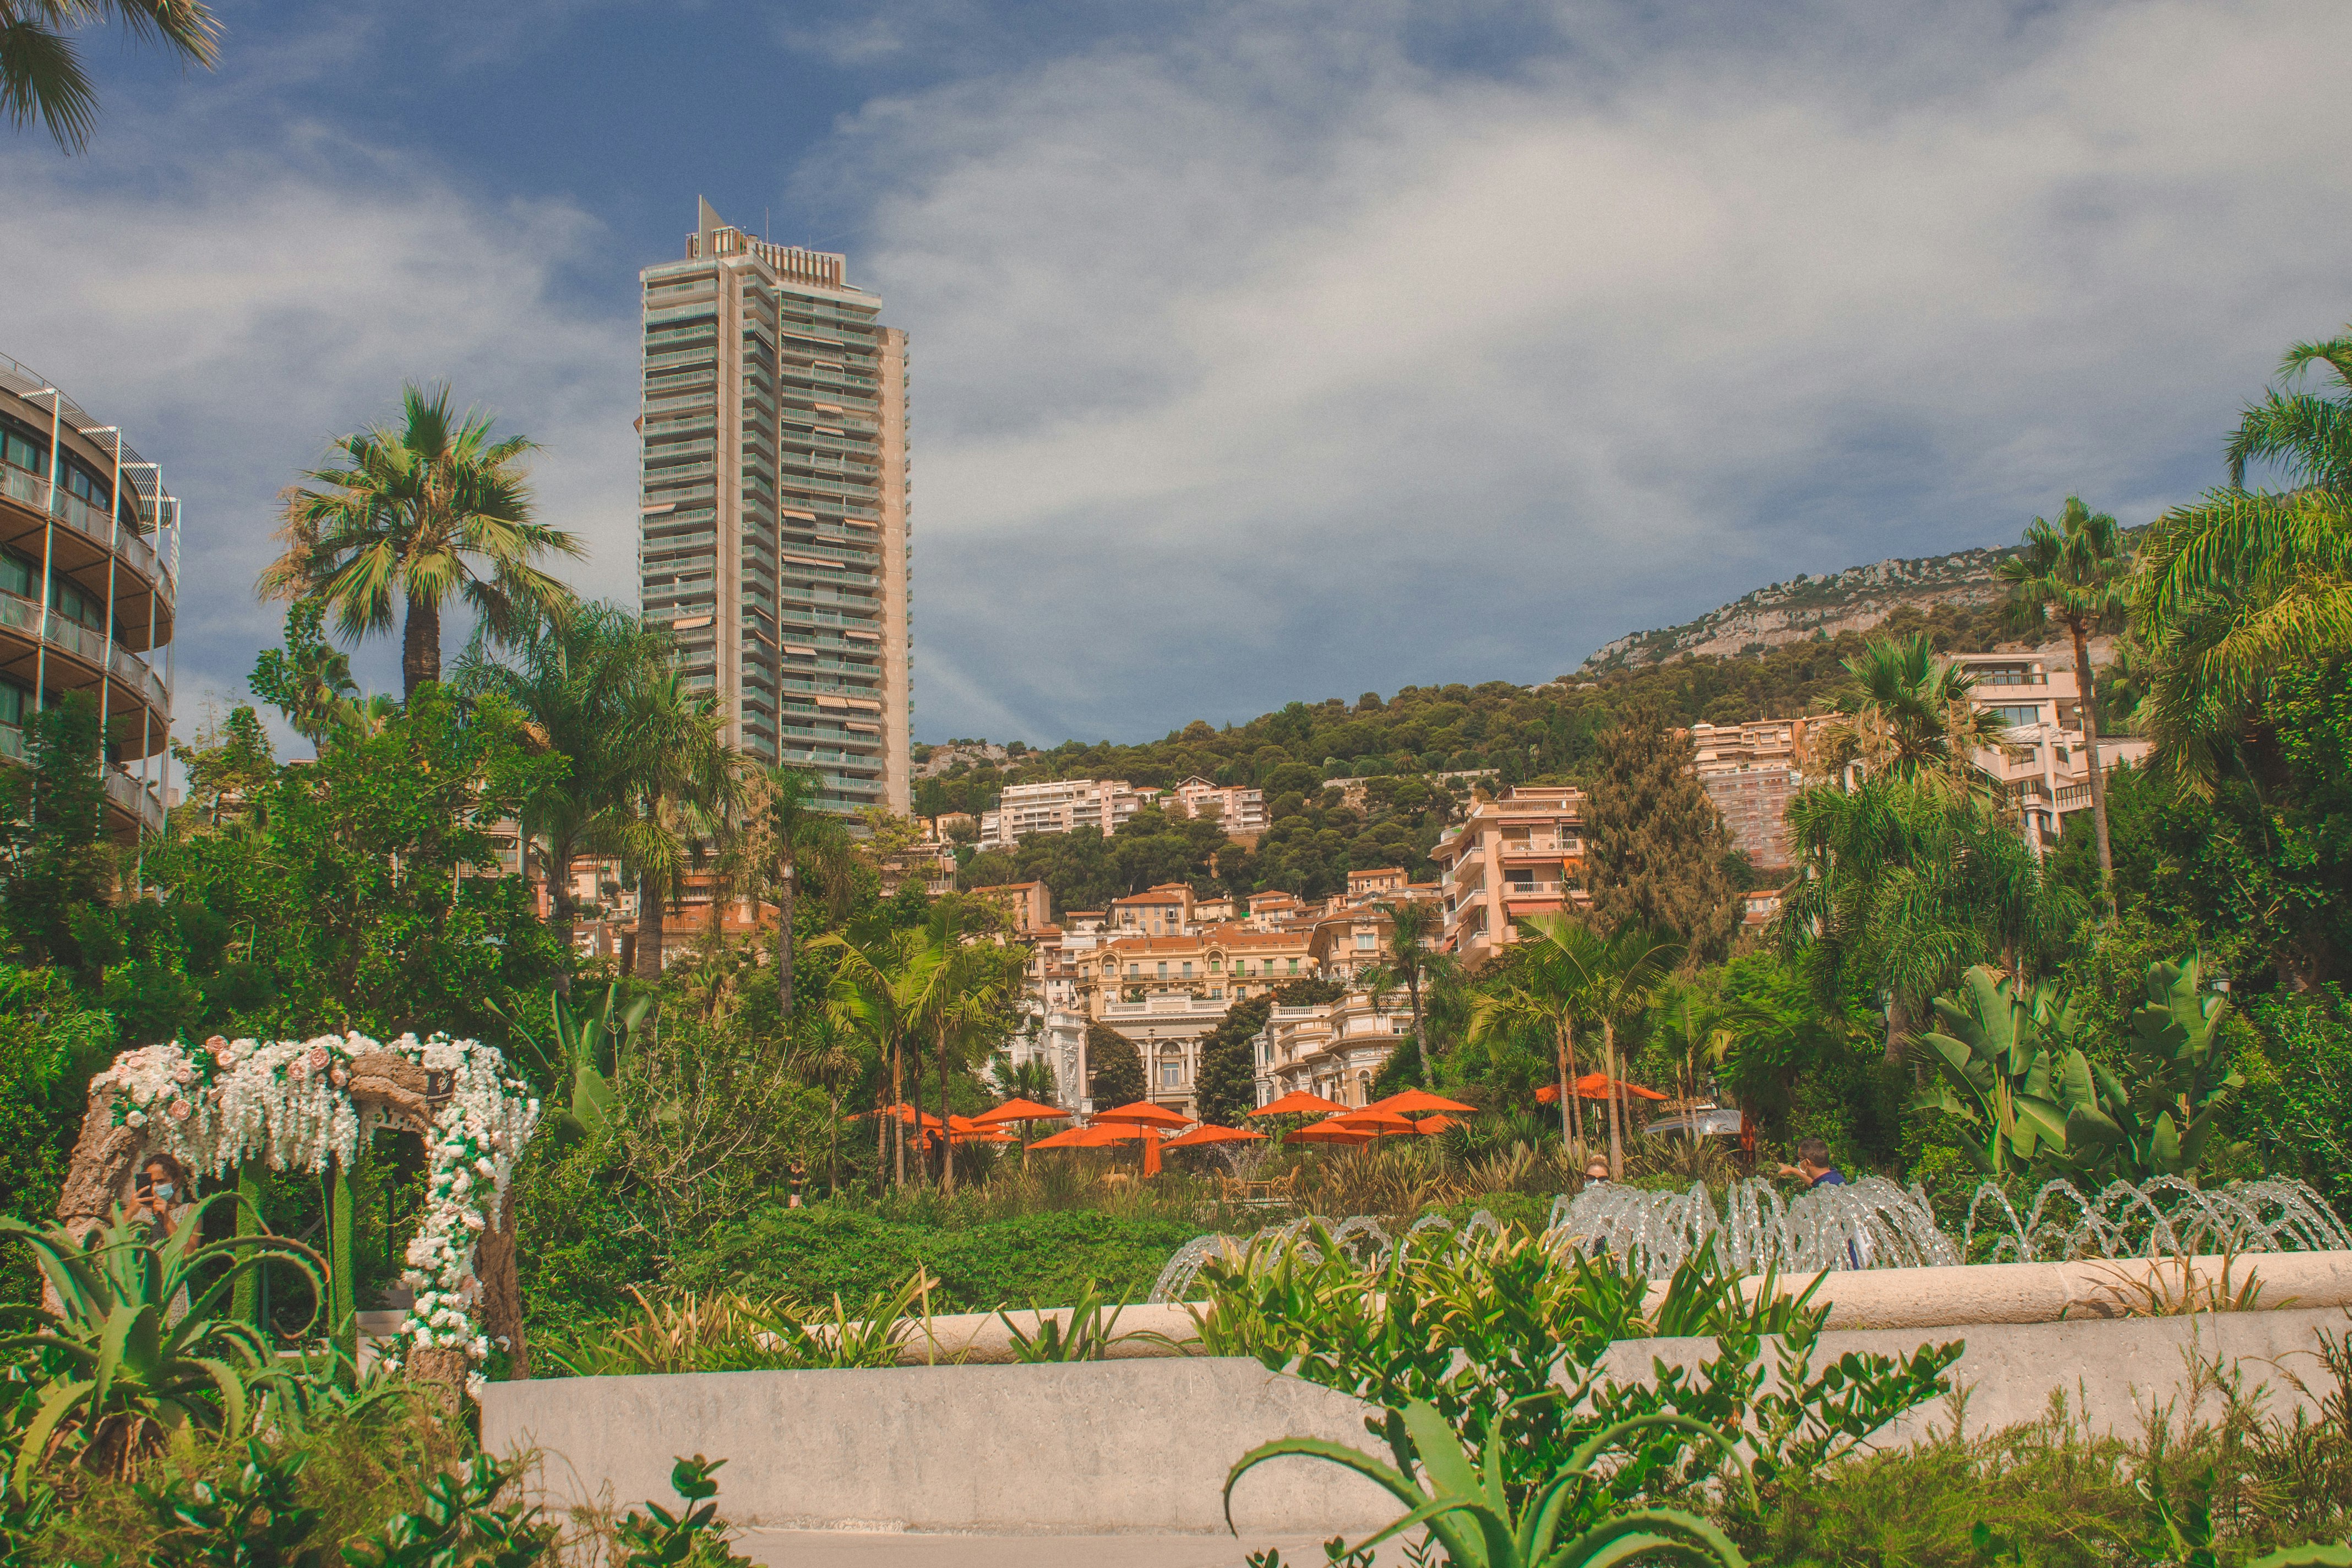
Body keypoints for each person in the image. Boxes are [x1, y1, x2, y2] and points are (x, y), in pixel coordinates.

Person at [1776, 1136, 1847, 1188]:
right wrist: (1792, 1170)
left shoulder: (1831, 1186)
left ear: (1807, 1162)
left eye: (1799, 1159)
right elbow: (1812, 1182)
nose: (1798, 1163)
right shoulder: (1832, 1178)